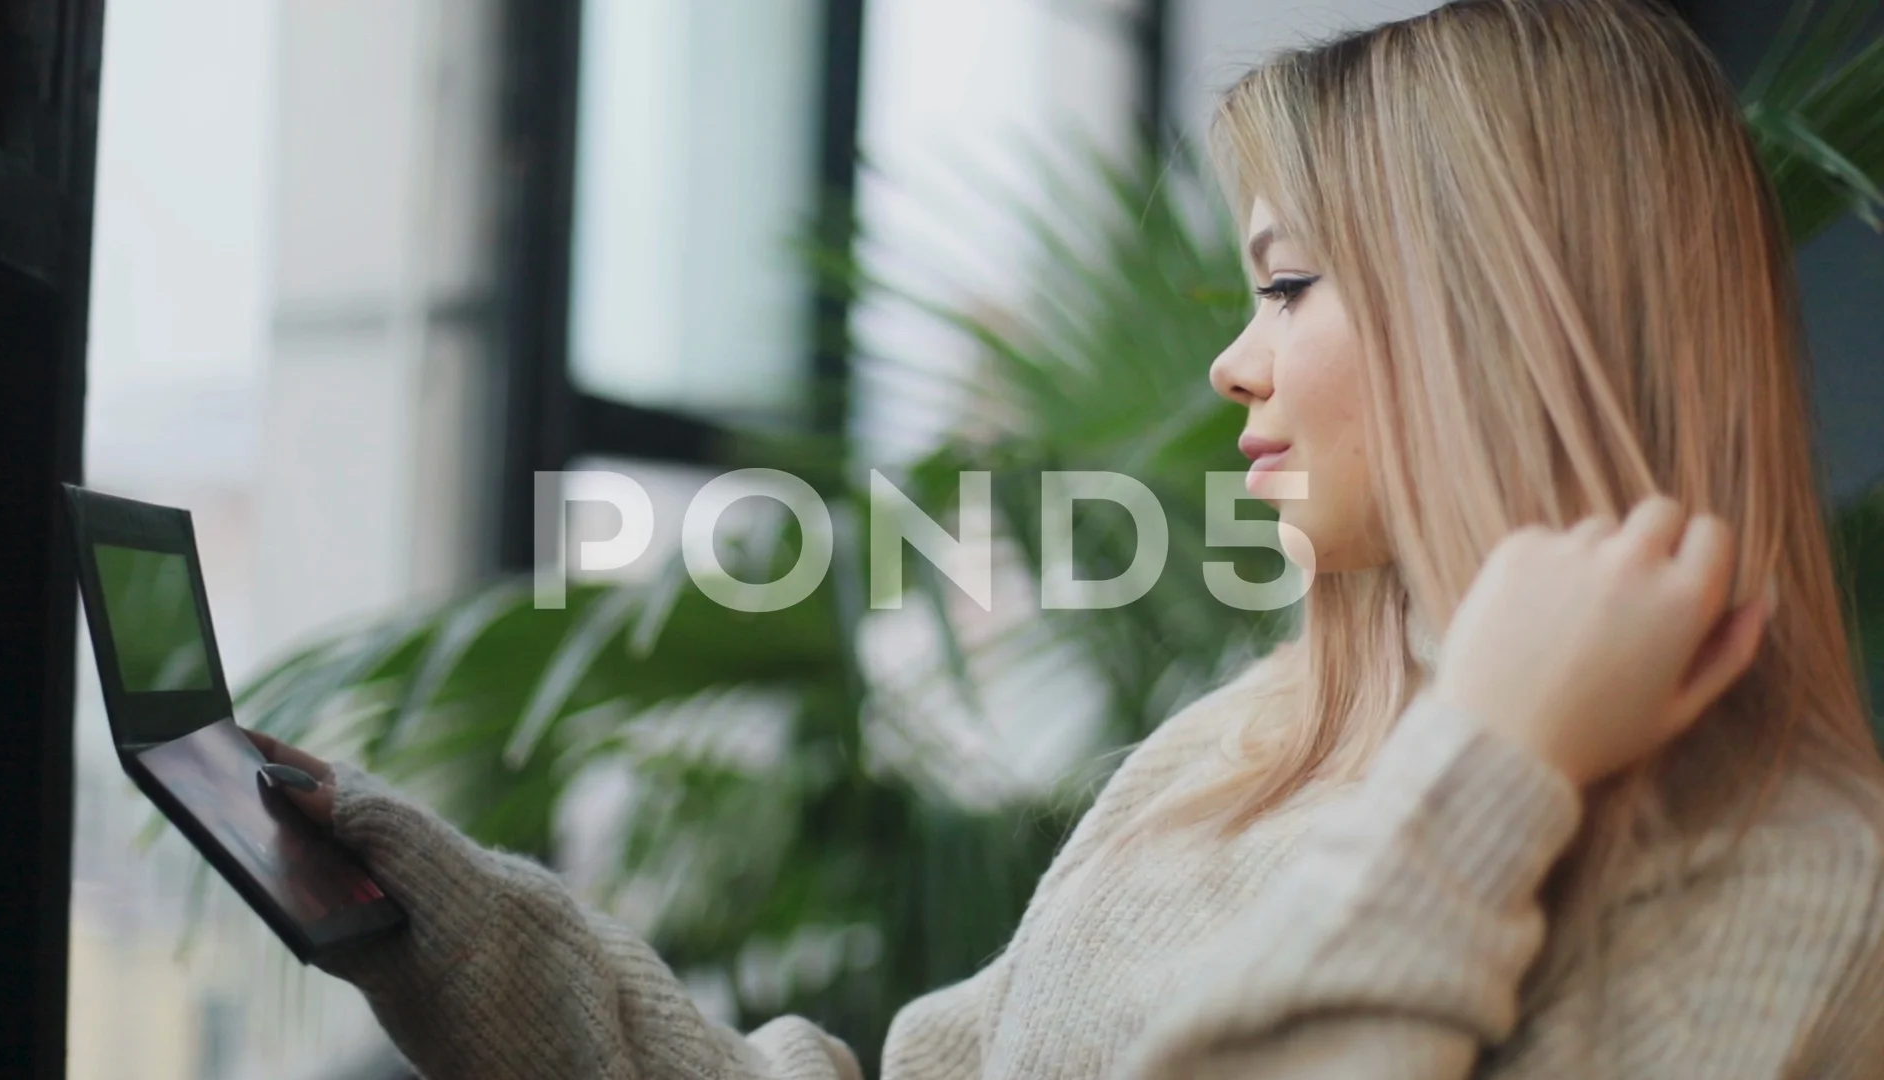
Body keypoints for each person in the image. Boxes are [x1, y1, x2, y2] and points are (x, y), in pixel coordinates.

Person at [246, 0, 1884, 1075]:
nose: (1233, 361)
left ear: (1507, 314)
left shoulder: (1800, 893)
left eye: (1288, 283)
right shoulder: (1247, 743)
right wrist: (441, 920)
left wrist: (1493, 765)